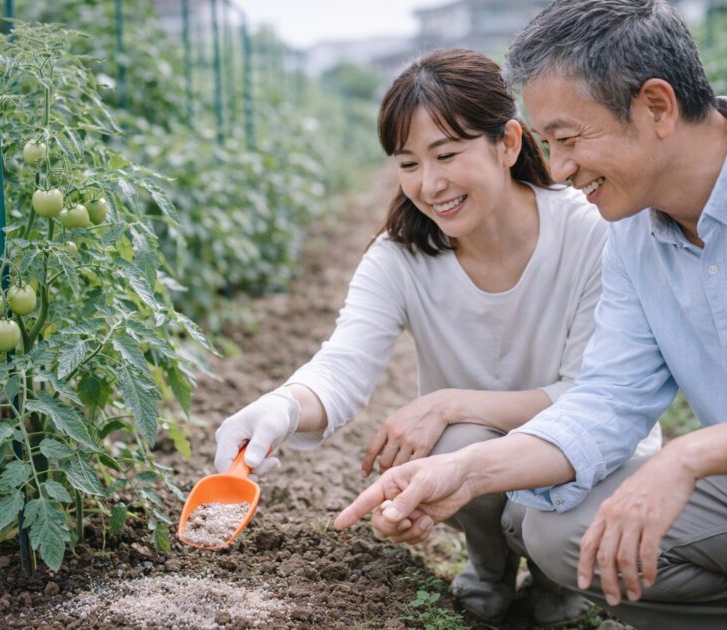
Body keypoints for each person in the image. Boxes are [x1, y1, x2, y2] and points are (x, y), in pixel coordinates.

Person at [335, 1, 727, 628]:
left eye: (567, 139)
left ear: (657, 106)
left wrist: (688, 456)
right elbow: (608, 399)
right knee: (563, 533)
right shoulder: (634, 234)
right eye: (547, 144)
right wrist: (464, 472)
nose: (558, 169)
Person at [213, 48, 661, 625]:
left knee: (509, 483)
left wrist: (446, 401)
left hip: (596, 456)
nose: (429, 184)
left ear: (507, 143)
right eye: (407, 163)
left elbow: (591, 397)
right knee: (458, 443)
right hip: (478, 460)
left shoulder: (589, 234)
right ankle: (489, 566)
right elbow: (344, 366)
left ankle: (556, 574)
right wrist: (277, 409)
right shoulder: (401, 257)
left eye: (447, 154)